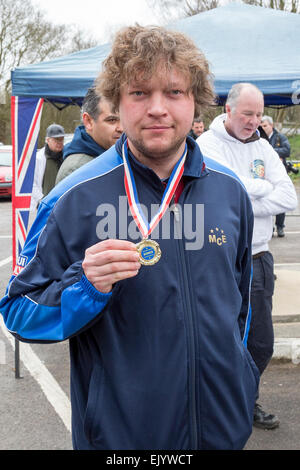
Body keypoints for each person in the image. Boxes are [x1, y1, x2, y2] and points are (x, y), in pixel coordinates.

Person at [1, 26, 259, 451]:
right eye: (139, 93)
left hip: (223, 431)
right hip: (123, 440)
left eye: (174, 92)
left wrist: (242, 377)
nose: (157, 108)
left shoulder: (230, 191)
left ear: (196, 102)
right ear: (117, 106)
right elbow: (17, 312)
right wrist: (83, 286)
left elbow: (242, 306)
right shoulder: (73, 197)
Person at [197, 83, 298, 430]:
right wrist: (258, 189)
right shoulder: (207, 145)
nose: (254, 121)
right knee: (220, 337)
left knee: (260, 342)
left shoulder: (263, 147)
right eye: (247, 114)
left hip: (258, 259)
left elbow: (288, 197)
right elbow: (221, 193)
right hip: (220, 259)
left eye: (259, 115)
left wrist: (245, 197)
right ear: (228, 109)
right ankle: (217, 405)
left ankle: (244, 401)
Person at [55, 86, 123, 184]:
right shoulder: (76, 170)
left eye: (125, 120)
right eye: (112, 120)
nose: (121, 128)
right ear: (88, 121)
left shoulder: (120, 156)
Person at [261, 116, 291, 237]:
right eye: (261, 126)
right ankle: (269, 228)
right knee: (266, 201)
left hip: (278, 173)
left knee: (279, 200)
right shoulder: (259, 137)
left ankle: (280, 226)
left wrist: (270, 152)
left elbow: (287, 150)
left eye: (265, 126)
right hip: (264, 174)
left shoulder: (280, 137)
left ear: (271, 126)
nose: (262, 128)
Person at [30, 124, 65, 211]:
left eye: (61, 139)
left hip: (63, 203)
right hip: (45, 205)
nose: (59, 143)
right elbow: (32, 182)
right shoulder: (38, 158)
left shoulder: (66, 156)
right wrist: (42, 200)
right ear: (47, 140)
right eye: (56, 140)